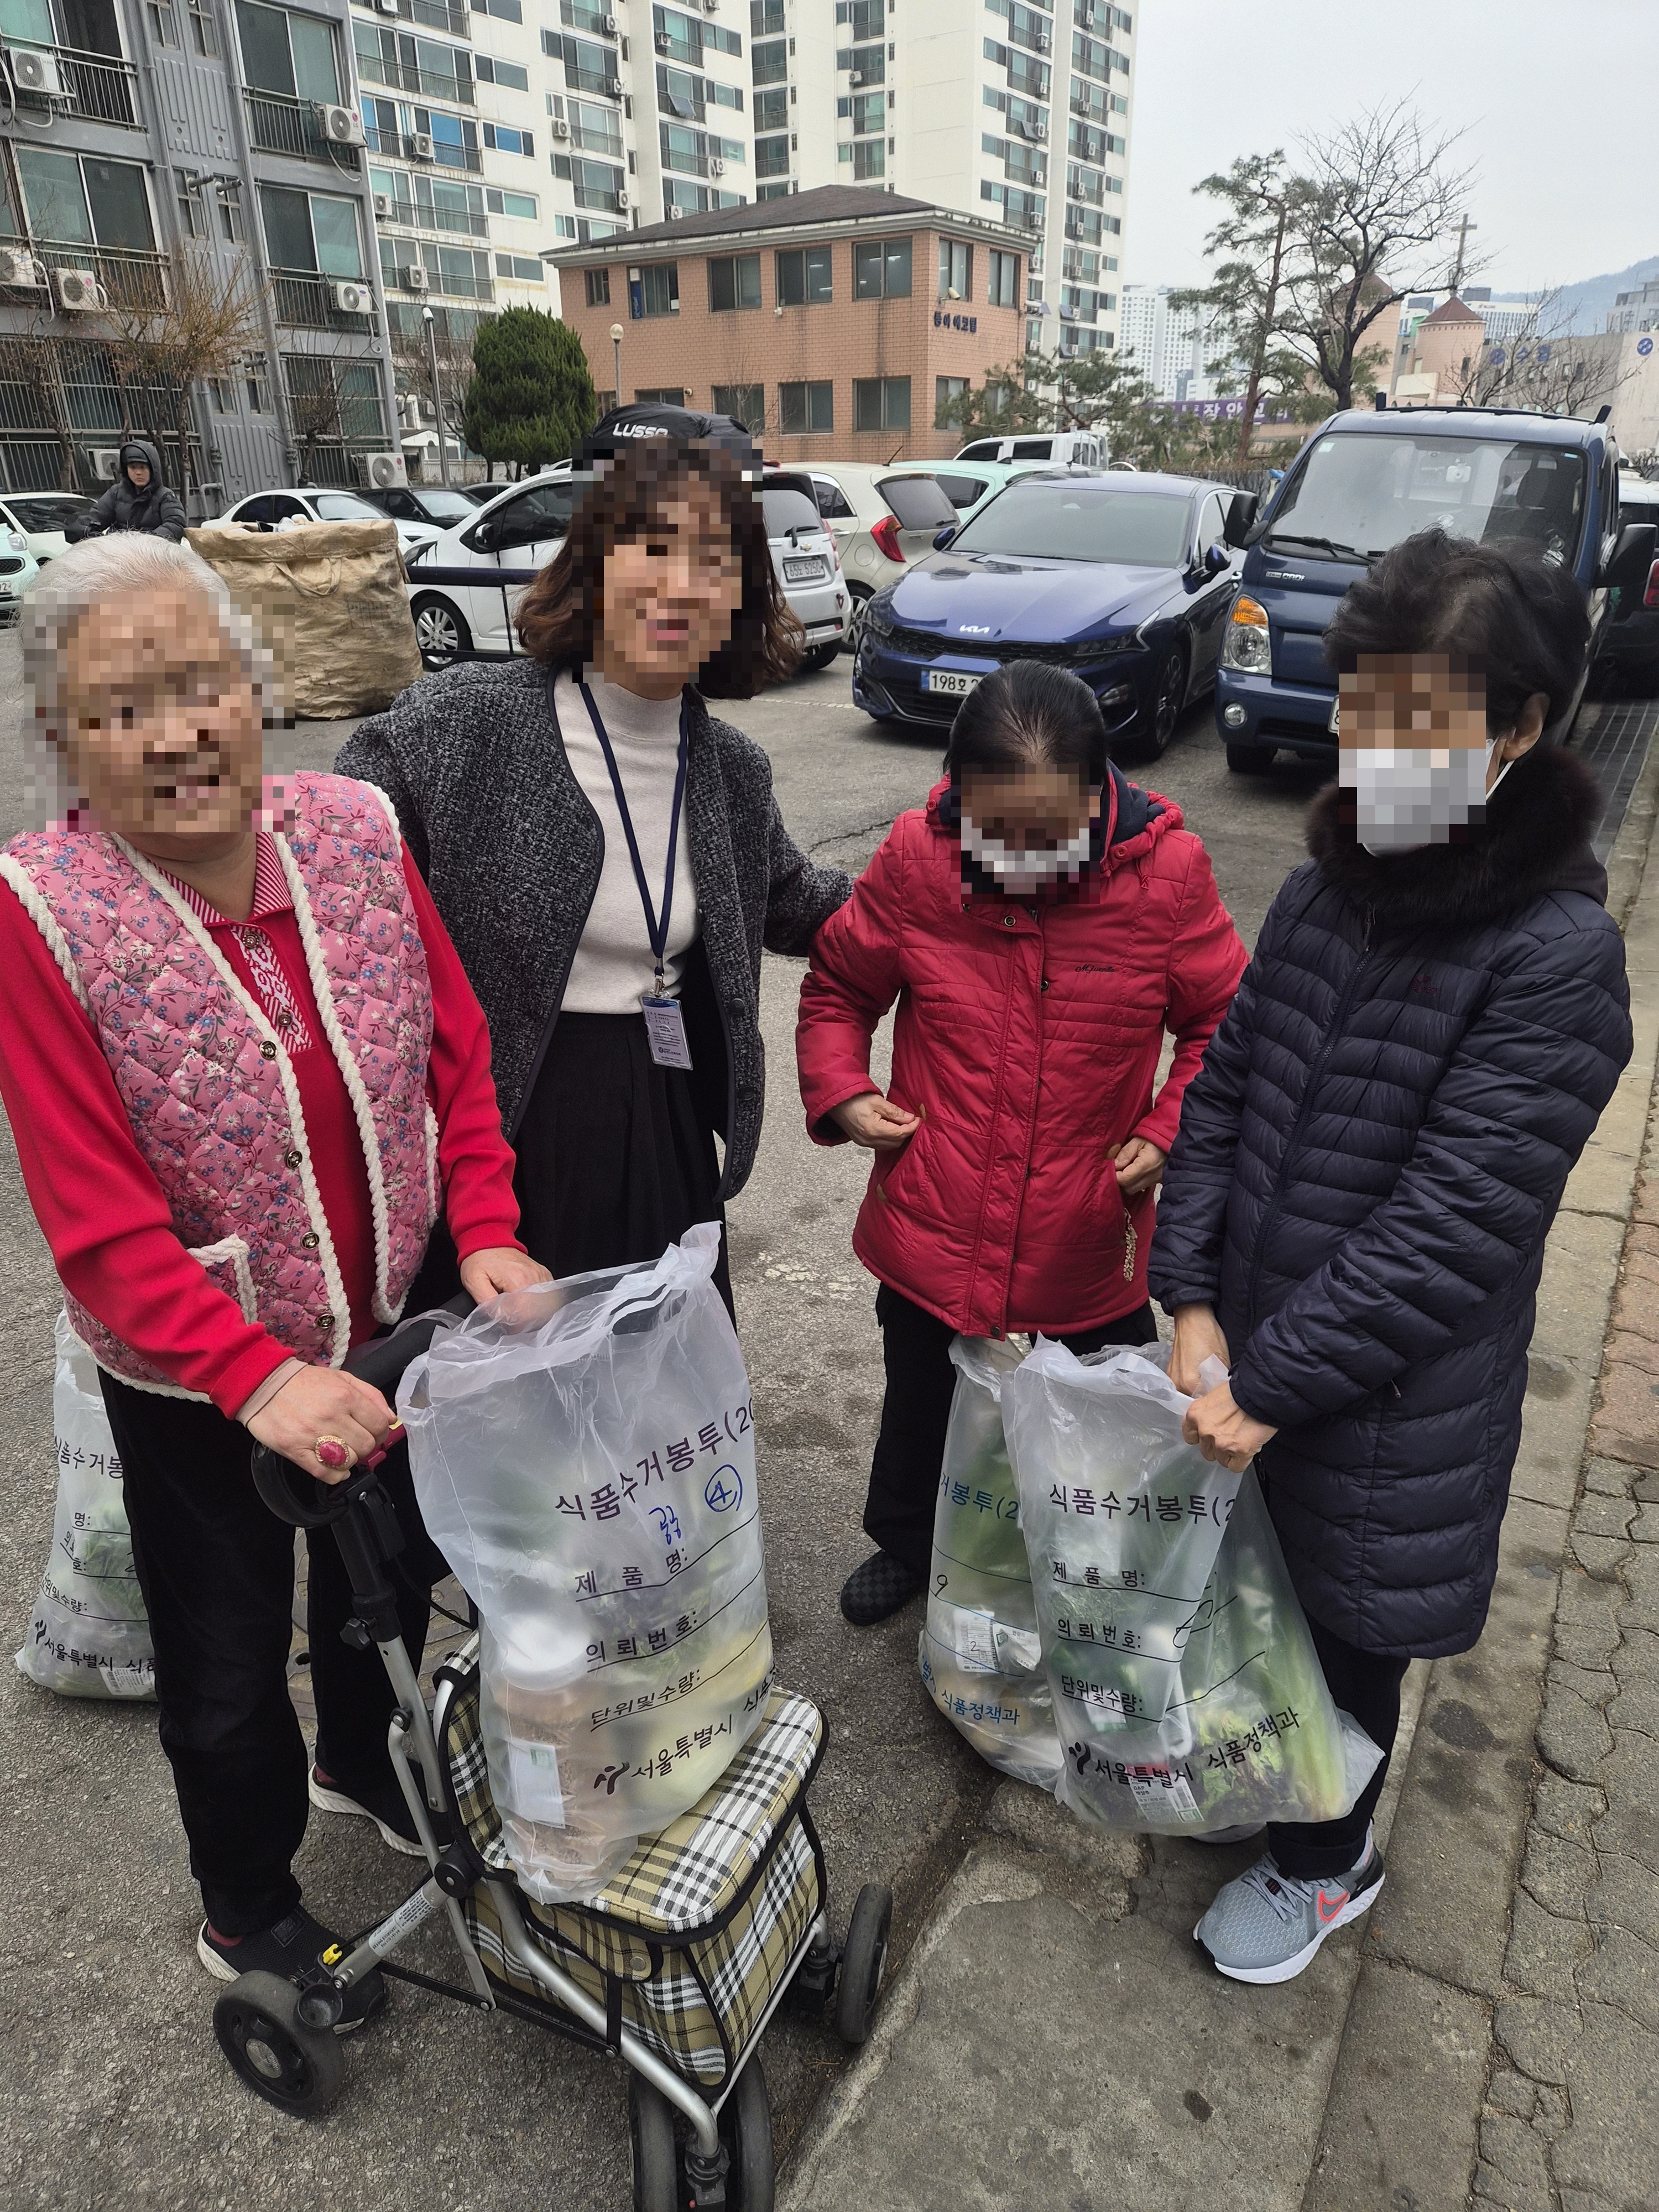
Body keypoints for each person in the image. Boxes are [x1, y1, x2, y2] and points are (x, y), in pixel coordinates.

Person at [0, 535, 548, 2018]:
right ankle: (245, 1905)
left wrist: (485, 1226)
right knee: (228, 1657)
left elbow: (453, 1055)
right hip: (199, 1383)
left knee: (391, 1577)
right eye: (122, 708)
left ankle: (362, 1760)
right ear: (63, 737)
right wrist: (254, 1377)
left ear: (256, 688)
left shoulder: (355, 828)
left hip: (389, 1320)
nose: (177, 732)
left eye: (202, 684)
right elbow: (96, 1219)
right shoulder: (44, 910)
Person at [1154, 529, 1633, 1985]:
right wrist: (1190, 1293)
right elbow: (1227, 1083)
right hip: (1252, 1351)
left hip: (1386, 1406)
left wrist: (1271, 1381)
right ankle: (1266, 1787)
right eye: (1364, 710)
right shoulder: (1330, 882)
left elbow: (1453, 1225)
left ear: (1519, 728)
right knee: (1252, 1606)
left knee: (1349, 1638)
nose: (1378, 753)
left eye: (1422, 722)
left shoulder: (1555, 955)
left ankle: (1326, 1866)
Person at [337, 404, 851, 1311]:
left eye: (715, 562)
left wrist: (955, 887)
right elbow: (333, 871)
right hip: (501, 1132)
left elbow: (795, 899)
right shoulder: (461, 725)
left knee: (666, 1376)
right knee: (512, 1384)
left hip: (664, 1121)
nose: (680, 586)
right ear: (595, 564)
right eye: (652, 548)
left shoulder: (731, 770)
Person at [795, 659, 1248, 1626]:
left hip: (1085, 1233)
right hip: (936, 1213)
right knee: (921, 1399)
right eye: (996, 831)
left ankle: (1070, 1575)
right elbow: (840, 986)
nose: (1021, 857)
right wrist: (844, 1091)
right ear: (958, 796)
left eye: (1049, 834)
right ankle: (908, 1545)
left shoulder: (1167, 877)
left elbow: (1226, 1026)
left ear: (1099, 795)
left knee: (1086, 1433)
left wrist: (1167, 1127)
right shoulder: (918, 858)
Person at [63, 437, 186, 544]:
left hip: (153, 556)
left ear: (153, 469)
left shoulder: (166, 497)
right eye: (133, 467)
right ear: (126, 469)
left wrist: (145, 542)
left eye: (143, 467)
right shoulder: (116, 493)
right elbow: (95, 518)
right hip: (120, 554)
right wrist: (91, 534)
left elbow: (175, 526)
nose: (138, 472)